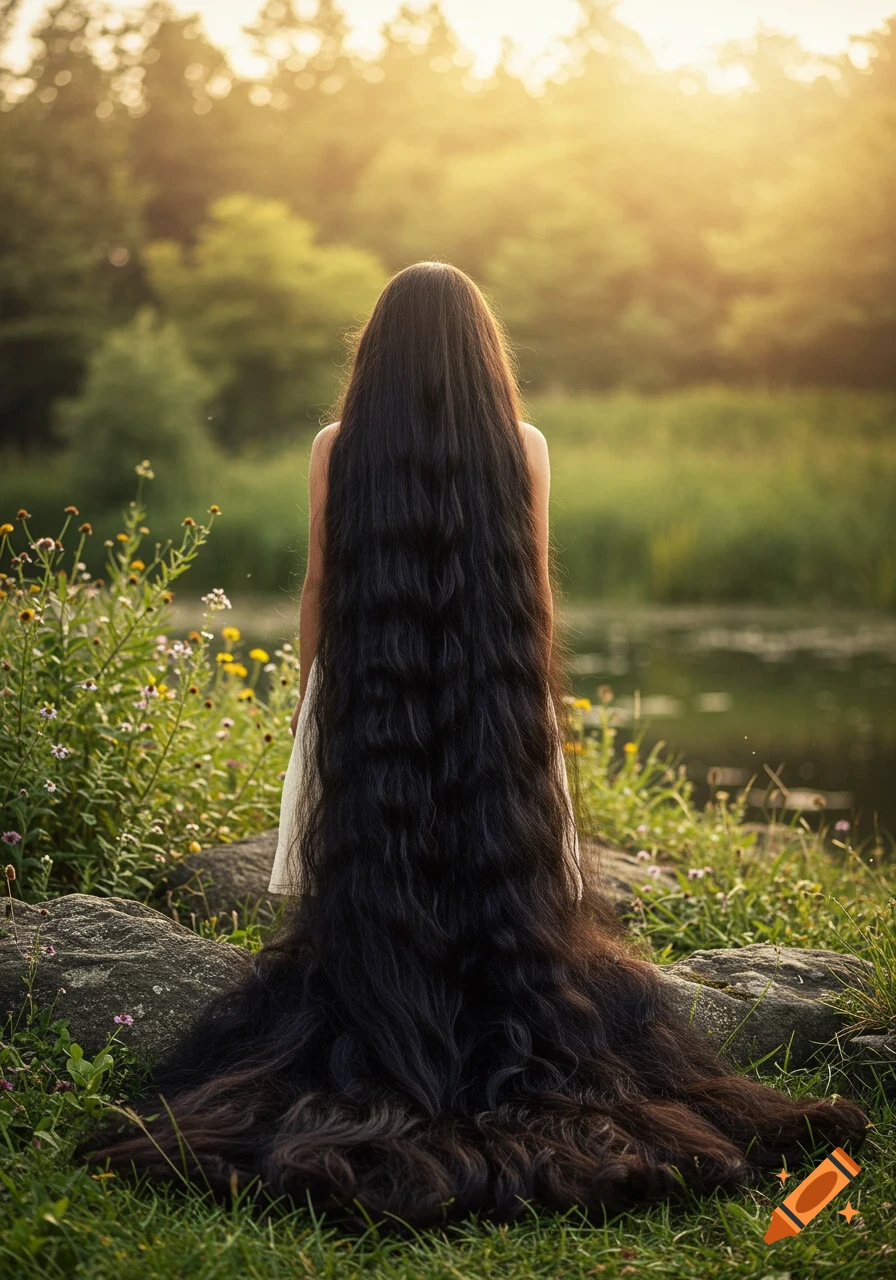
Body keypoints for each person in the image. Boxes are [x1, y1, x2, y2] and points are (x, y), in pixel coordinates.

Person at [83, 262, 868, 1228]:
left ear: (374, 357)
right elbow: (530, 598)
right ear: (486, 356)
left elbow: (322, 594)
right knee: (510, 889)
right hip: (497, 706)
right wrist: (531, 720)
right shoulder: (525, 446)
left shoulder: (340, 445)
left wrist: (310, 714)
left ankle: (397, 1013)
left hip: (375, 705)